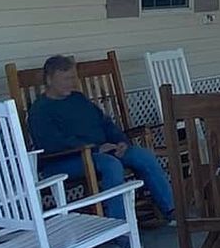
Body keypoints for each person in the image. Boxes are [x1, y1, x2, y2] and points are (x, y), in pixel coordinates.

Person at [26, 55, 175, 226]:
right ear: (49, 79)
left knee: (142, 155)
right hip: (65, 160)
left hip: (103, 151)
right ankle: (119, 229)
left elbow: (104, 123)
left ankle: (171, 211)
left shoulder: (78, 99)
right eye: (66, 78)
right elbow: (51, 144)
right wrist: (95, 149)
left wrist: (120, 142)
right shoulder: (40, 110)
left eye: (73, 77)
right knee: (110, 165)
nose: (71, 83)